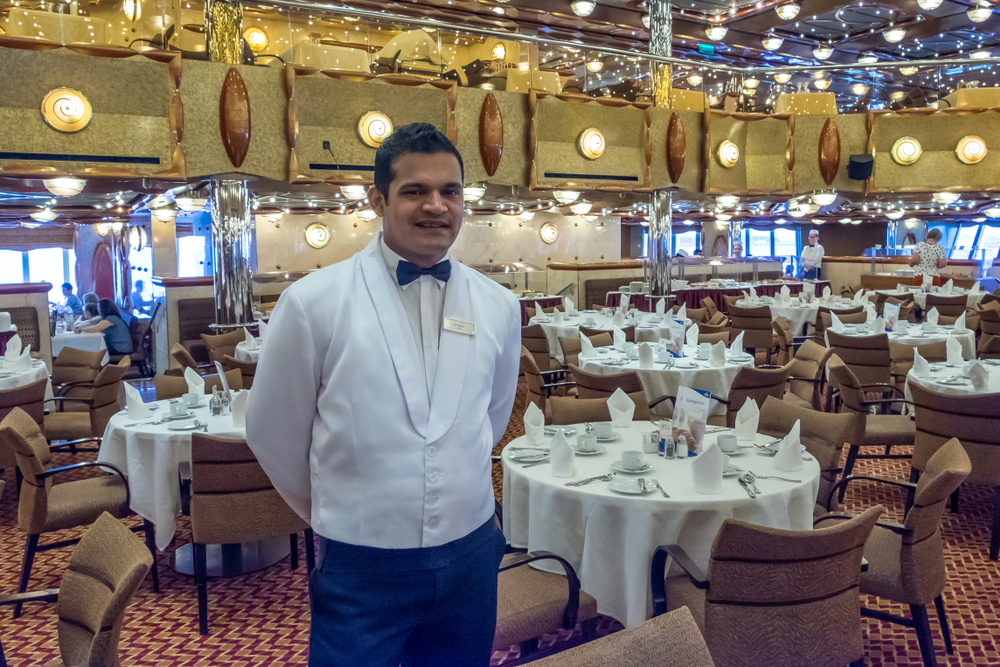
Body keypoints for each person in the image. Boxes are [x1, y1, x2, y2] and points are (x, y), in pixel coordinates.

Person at [246, 123, 521, 667]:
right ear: (378, 200)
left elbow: (489, 418)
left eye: (450, 191)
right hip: (361, 564)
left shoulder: (500, 306)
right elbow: (272, 433)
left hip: (471, 554)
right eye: (414, 191)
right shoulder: (311, 304)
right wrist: (345, 510)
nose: (436, 206)